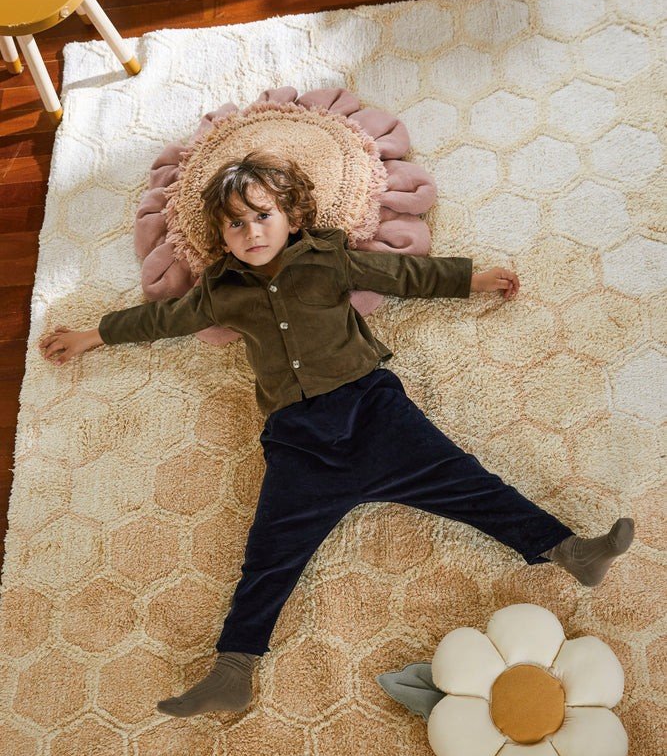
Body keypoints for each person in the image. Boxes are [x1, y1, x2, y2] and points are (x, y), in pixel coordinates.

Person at [37, 149, 635, 718]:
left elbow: (401, 273)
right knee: (269, 554)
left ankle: (571, 551)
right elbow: (162, 318)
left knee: (469, 483)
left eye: (262, 216)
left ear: (292, 215)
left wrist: (471, 280)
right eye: (236, 226)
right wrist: (93, 335)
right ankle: (233, 670)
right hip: (299, 442)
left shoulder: (328, 259)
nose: (251, 233)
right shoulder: (222, 291)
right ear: (221, 238)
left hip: (372, 411)